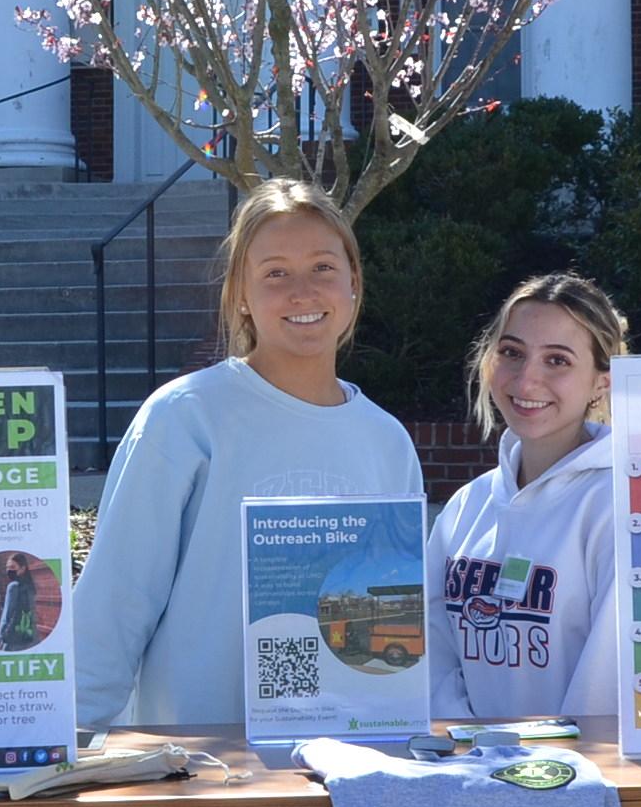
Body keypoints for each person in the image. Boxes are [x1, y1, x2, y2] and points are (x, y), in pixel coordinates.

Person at [75, 178, 424, 734]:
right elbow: (118, 598)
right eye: (275, 273)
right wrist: (68, 747)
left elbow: (400, 606)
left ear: (354, 282)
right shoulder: (185, 416)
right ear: (241, 291)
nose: (302, 292)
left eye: (323, 269)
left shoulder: (386, 440)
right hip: (203, 765)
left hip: (350, 763)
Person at [430, 273, 629, 724]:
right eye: (512, 353)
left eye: (557, 360)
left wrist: (553, 768)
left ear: (602, 382)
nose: (527, 379)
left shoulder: (619, 507)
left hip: (572, 780)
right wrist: (465, 746)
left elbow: (605, 688)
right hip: (467, 774)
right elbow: (433, 654)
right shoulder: (465, 507)